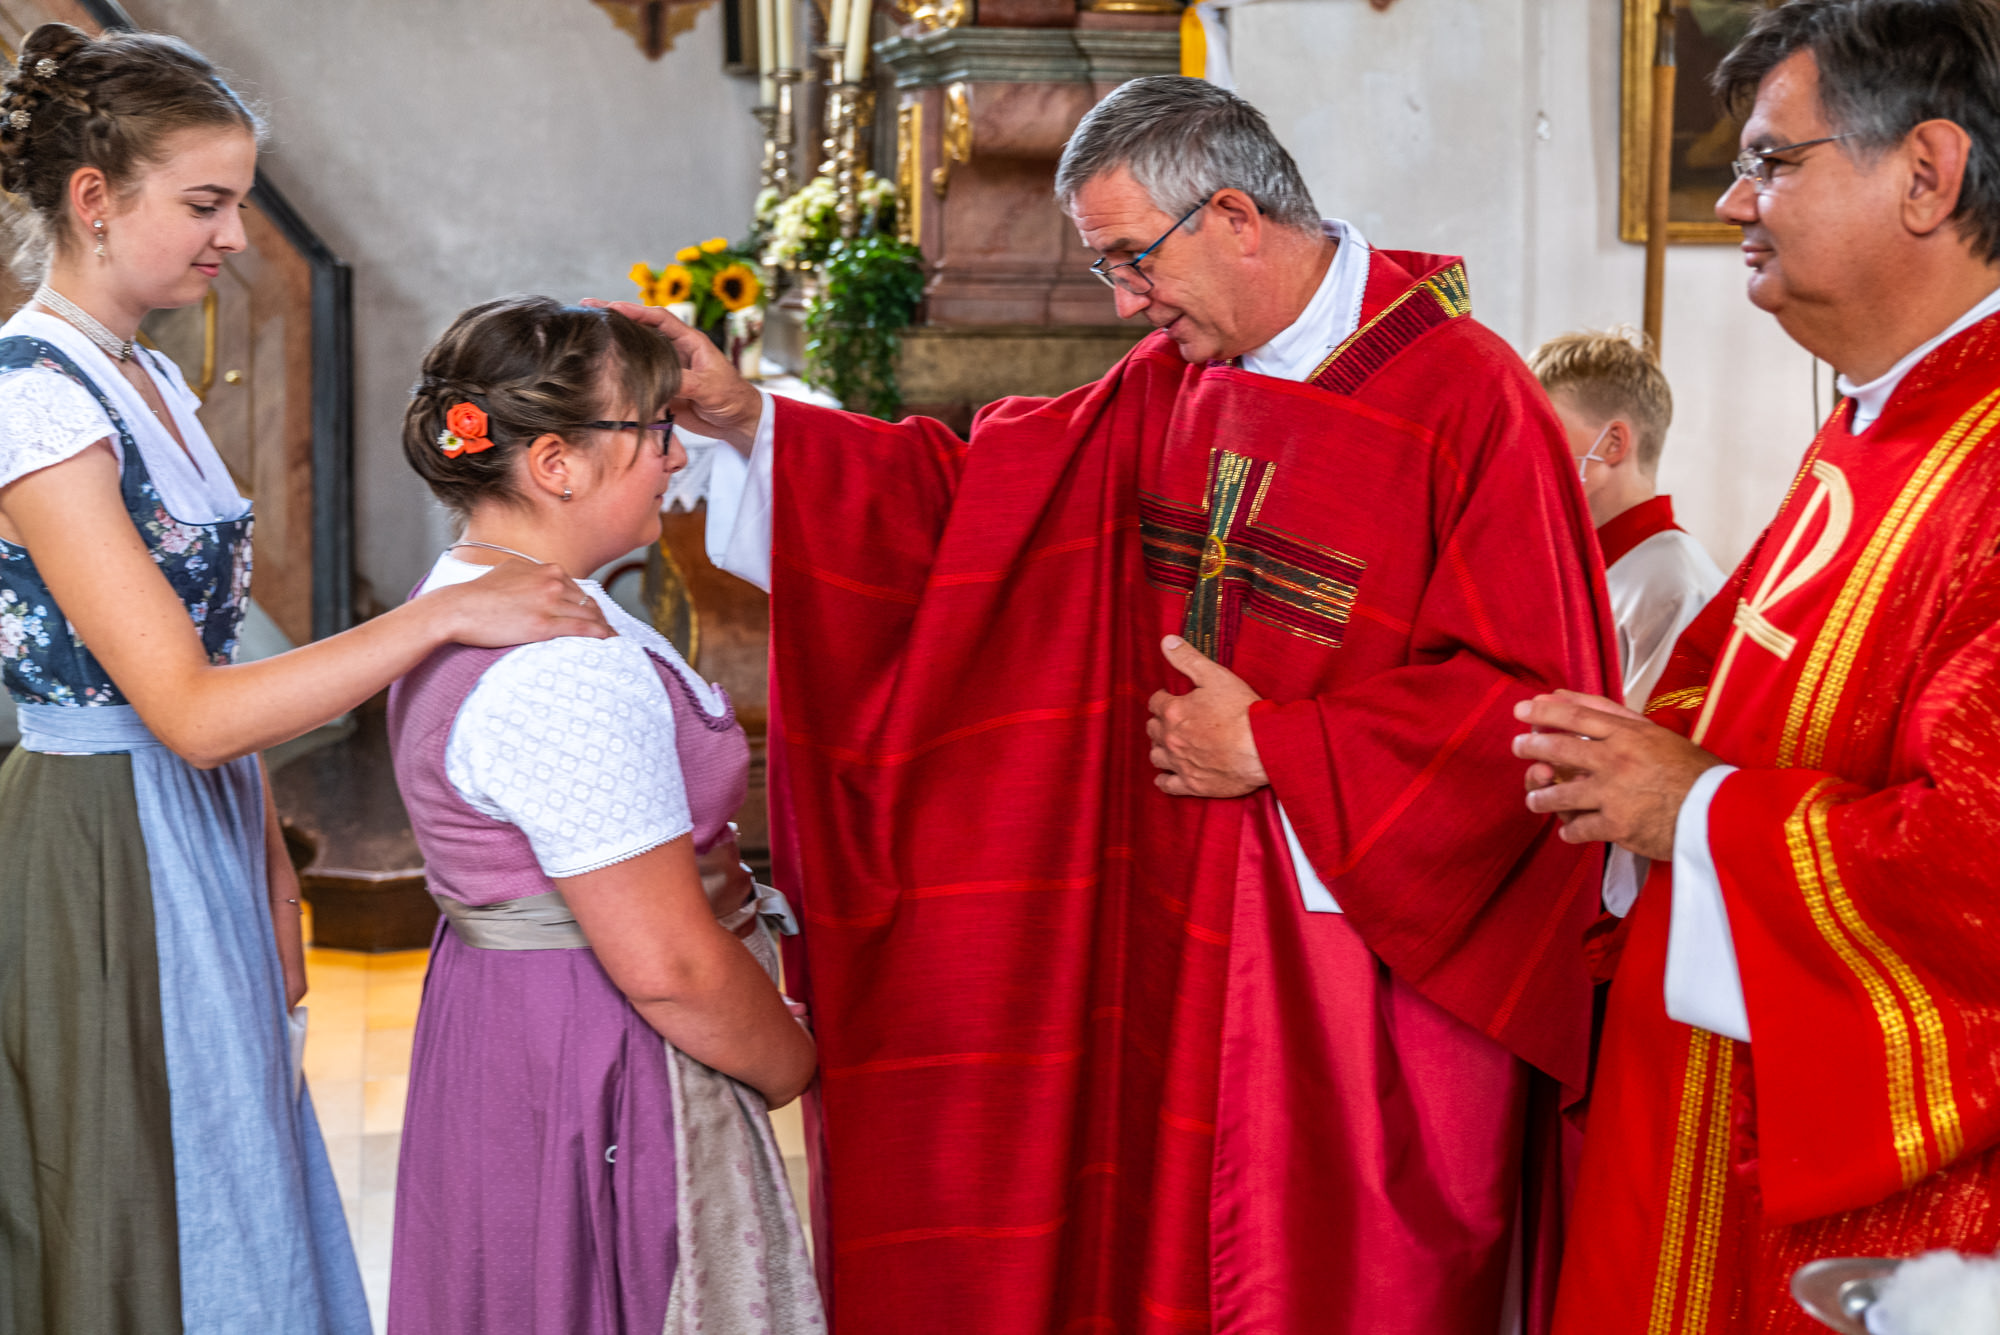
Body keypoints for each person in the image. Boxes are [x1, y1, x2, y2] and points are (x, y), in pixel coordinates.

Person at [616, 75, 1614, 1334]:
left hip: (1347, 972)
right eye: (1107, 268)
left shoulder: (1463, 400)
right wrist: (750, 420)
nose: (1126, 302)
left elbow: (1536, 712)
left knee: (1319, 1278)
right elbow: (977, 509)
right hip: (1169, 910)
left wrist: (1280, 743)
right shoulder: (1170, 380)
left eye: (1133, 259)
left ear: (1235, 218)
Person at [0, 26, 611, 1335]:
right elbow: (185, 708)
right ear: (94, 199)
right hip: (100, 838)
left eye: (236, 202)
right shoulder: (32, 402)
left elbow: (211, 675)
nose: (231, 234)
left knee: (238, 1165)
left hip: (202, 820)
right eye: (203, 203)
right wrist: (446, 616)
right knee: (136, 1192)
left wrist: (273, 868)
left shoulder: (145, 374)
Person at [1514, 3, 2000, 1330]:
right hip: (1709, 1093)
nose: (1734, 201)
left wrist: (1693, 809)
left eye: (1772, 163)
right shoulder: (1877, 420)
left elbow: (1977, 864)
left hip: (1901, 1213)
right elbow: (1725, 675)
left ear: (1926, 174)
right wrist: (1610, 765)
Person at [384, 297, 821, 1334]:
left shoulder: (481, 586)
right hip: (597, 1048)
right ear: (556, 465)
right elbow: (668, 967)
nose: (674, 457)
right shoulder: (562, 669)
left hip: (508, 1023)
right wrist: (794, 1059)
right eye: (654, 430)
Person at [1530, 328, 1724, 919]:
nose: (1527, 454)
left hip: (1616, 882)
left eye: (1545, 432)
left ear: (1613, 443)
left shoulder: (1671, 581)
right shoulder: (1592, 567)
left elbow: (1649, 760)